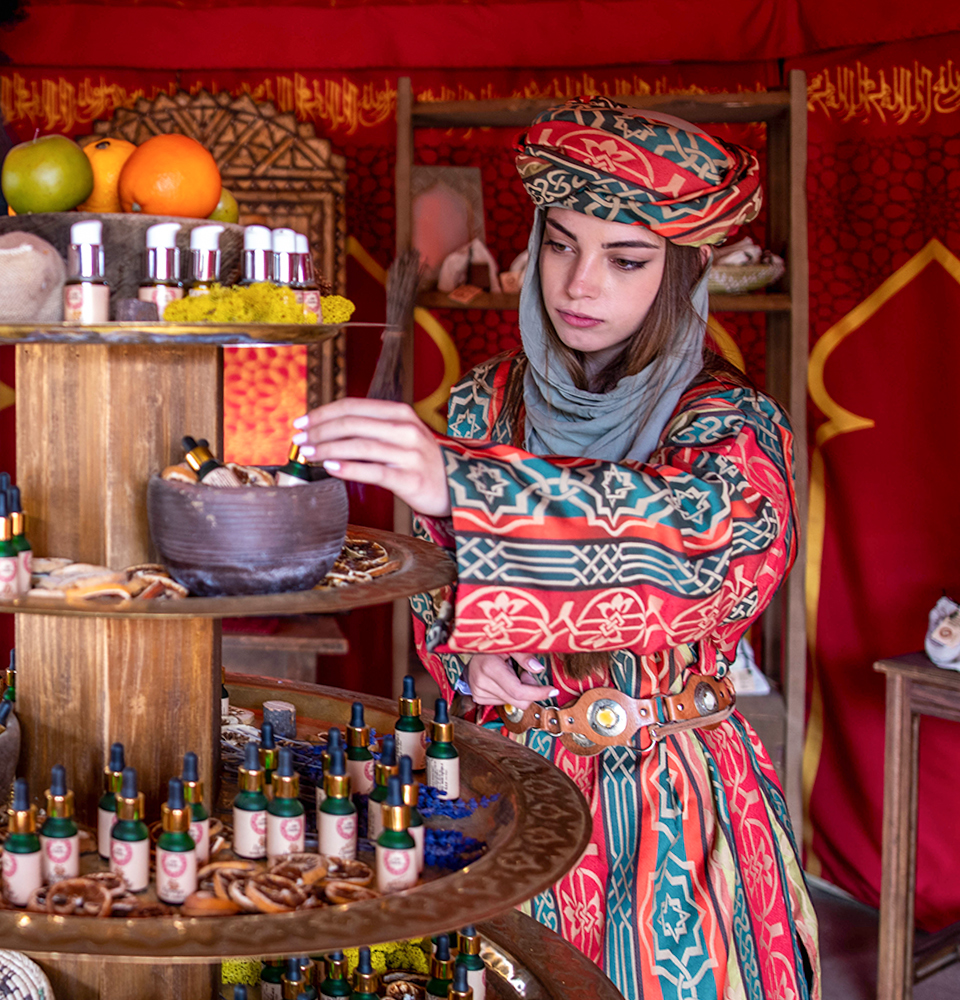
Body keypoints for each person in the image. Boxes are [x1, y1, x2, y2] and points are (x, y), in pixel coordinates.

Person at [297, 98, 819, 999]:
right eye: (563, 244)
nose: (580, 284)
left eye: (626, 259)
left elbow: (698, 556)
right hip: (500, 784)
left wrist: (465, 487)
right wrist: (474, 651)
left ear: (684, 270)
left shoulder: (731, 423)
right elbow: (436, 584)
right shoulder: (483, 404)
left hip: (671, 800)